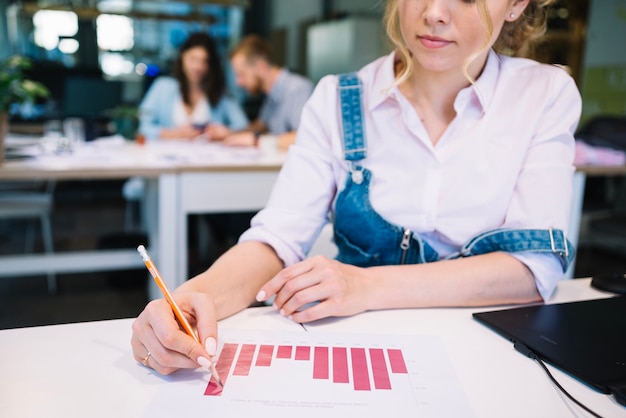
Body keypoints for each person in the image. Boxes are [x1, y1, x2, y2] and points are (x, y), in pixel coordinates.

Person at [132, 0, 582, 375]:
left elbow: (533, 270)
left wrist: (364, 286)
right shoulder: (338, 98)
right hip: (361, 356)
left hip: (493, 365)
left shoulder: (544, 94)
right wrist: (195, 299)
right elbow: (277, 238)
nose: (435, 13)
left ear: (517, 4)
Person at [206, 34, 314, 149]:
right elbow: (260, 126)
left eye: (241, 74)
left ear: (261, 67)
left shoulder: (297, 88)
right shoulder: (272, 92)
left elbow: (305, 137)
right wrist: (229, 133)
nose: (238, 82)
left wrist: (256, 141)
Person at [138, 32, 248, 141]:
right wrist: (176, 134)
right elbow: (143, 128)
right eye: (193, 59)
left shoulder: (219, 93)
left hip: (207, 157)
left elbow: (243, 126)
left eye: (204, 61)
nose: (197, 67)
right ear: (182, 57)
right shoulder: (162, 87)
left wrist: (226, 132)